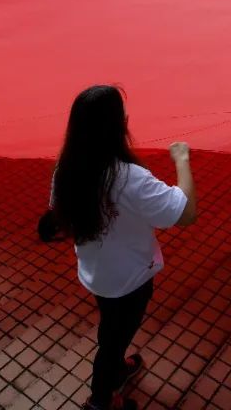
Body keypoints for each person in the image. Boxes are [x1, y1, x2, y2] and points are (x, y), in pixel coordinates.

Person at [49, 86, 197, 410]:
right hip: (130, 280)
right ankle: (101, 400)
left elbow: (59, 214)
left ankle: (116, 370)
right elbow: (185, 213)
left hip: (97, 274)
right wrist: (182, 160)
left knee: (112, 328)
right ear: (120, 125)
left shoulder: (65, 170)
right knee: (113, 340)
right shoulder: (130, 177)